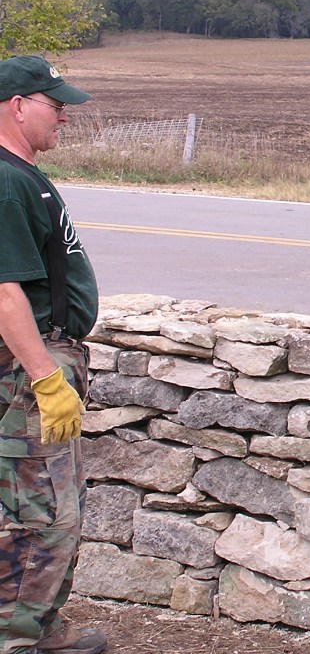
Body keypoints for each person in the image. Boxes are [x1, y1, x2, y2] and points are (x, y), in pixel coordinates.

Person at [0, 56, 106, 654]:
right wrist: (44, 377)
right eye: (54, 102)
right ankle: (15, 638)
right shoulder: (4, 180)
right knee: (36, 511)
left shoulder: (21, 173)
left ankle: (38, 626)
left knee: (57, 505)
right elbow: (4, 288)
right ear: (18, 105)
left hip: (39, 360)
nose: (64, 113)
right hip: (26, 367)